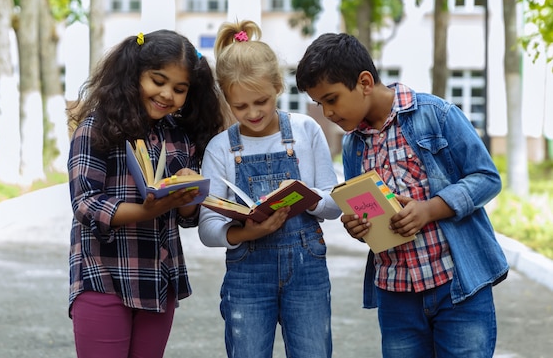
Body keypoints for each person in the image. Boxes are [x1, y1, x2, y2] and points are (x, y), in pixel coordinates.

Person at [295, 32, 509, 358]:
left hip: (458, 288)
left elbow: (487, 177)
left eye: (332, 99)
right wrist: (359, 228)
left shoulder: (436, 115)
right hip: (396, 295)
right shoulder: (354, 146)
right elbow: (369, 214)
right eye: (319, 104)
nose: (327, 113)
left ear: (365, 82)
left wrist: (430, 209)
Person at [67, 29, 227, 358]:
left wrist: (186, 193)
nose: (167, 94)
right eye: (158, 81)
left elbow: (189, 217)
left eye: (179, 89)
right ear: (135, 74)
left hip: (158, 280)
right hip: (103, 275)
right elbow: (85, 205)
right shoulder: (97, 127)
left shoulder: (179, 137)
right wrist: (147, 211)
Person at [198, 20, 342, 358]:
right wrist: (248, 232)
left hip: (307, 271)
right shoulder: (220, 148)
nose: (252, 113)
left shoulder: (306, 131)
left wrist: (306, 197)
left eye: (261, 101)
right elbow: (207, 228)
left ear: (278, 86)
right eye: (240, 107)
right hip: (247, 276)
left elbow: (334, 203)